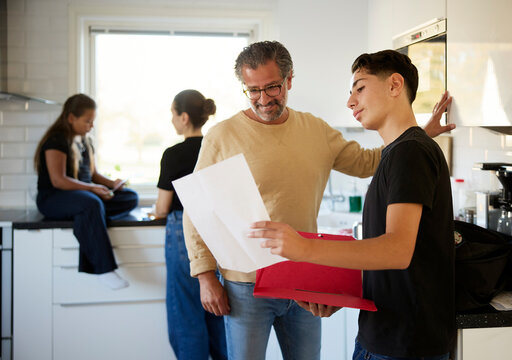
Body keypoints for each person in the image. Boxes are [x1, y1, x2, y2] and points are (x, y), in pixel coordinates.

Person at [183, 41, 454, 360]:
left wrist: (419, 134)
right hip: (246, 283)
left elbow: (369, 162)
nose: (263, 99)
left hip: (304, 277)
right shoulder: (222, 136)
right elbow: (198, 208)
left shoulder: (315, 130)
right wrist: (204, 276)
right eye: (252, 90)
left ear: (289, 80)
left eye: (272, 87)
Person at [34, 93, 138, 290]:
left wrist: (111, 184)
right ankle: (104, 269)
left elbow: (93, 175)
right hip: (54, 197)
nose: (91, 126)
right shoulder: (56, 140)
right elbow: (59, 180)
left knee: (131, 198)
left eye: (93, 121)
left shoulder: (85, 142)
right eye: (87, 121)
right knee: (91, 202)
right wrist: (92, 189)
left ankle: (91, 217)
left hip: (83, 196)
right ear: (71, 117)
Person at [153, 90, 227, 360]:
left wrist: (154, 213)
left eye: (173, 114)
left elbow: (162, 208)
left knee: (186, 316)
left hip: (183, 234)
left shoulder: (173, 154)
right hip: (218, 234)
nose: (172, 120)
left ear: (184, 117)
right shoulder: (217, 147)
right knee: (219, 311)